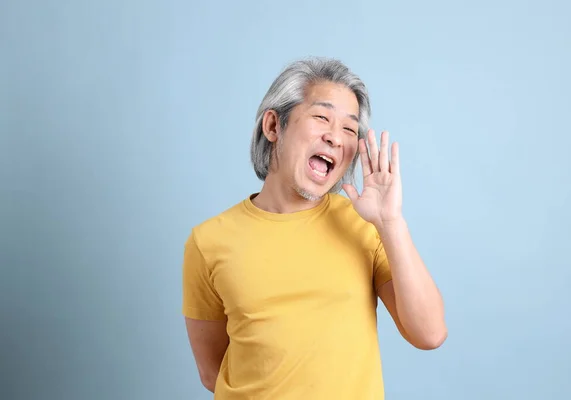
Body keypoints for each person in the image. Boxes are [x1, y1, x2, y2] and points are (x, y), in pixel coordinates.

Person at [181, 57, 447, 399]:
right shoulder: (208, 241)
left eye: (350, 129)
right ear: (274, 126)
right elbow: (211, 371)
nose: (336, 137)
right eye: (322, 117)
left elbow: (429, 334)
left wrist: (390, 222)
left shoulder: (364, 226)